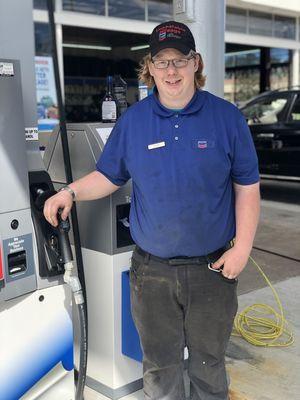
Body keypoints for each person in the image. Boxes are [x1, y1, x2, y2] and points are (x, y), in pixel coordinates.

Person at [44, 21, 260, 400]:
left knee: (209, 365)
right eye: (162, 62)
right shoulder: (134, 122)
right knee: (160, 368)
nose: (171, 71)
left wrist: (242, 247)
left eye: (180, 60)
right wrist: (71, 192)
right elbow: (108, 176)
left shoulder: (228, 119)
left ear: (196, 63)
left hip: (213, 269)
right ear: (151, 68)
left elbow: (247, 187)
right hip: (152, 272)